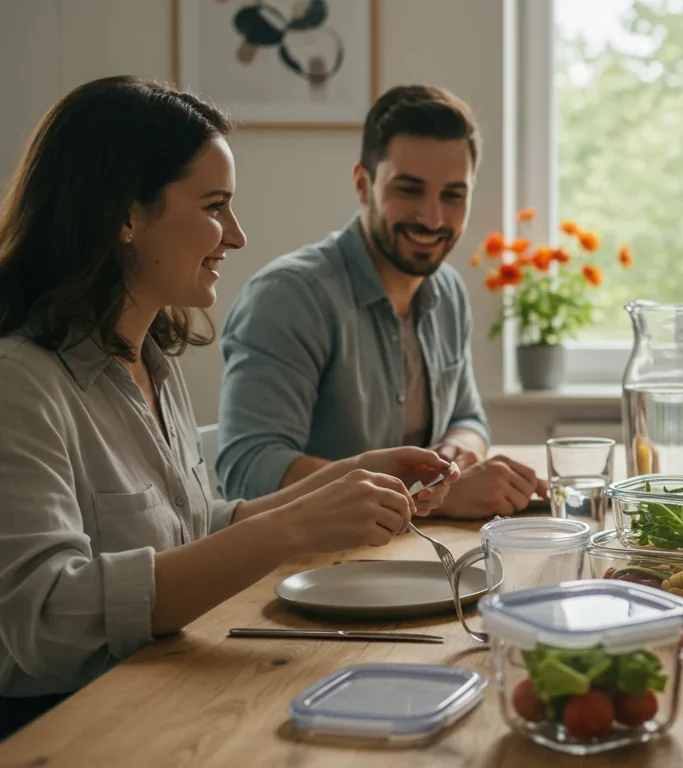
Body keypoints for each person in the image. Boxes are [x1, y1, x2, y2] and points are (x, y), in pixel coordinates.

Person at [0, 76, 458, 737]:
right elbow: (41, 618)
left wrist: (349, 474)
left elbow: (189, 531)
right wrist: (290, 530)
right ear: (123, 216)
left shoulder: (151, 361)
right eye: (215, 206)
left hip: (162, 692)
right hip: (70, 727)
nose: (236, 236)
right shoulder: (21, 382)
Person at [217, 84, 545, 518]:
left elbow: (468, 417)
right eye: (409, 190)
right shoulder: (289, 297)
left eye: (453, 195)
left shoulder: (446, 290)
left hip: (409, 554)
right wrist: (425, 492)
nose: (432, 218)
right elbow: (249, 469)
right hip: (304, 570)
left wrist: (460, 452)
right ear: (362, 184)